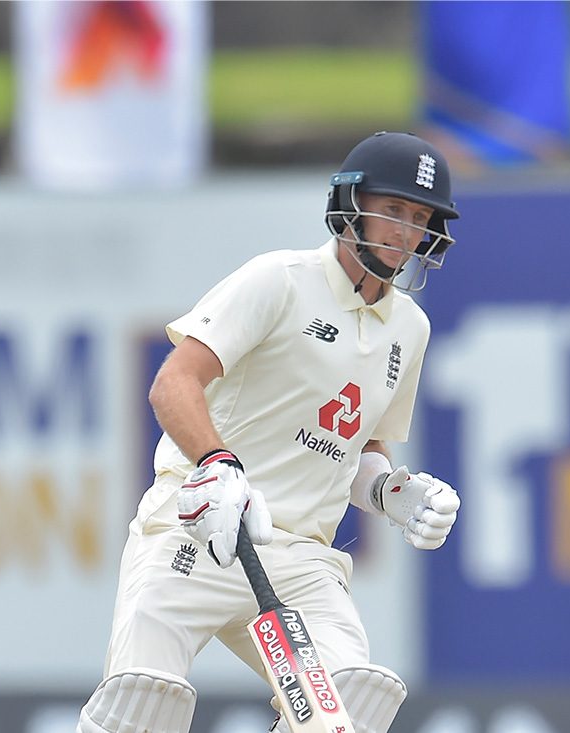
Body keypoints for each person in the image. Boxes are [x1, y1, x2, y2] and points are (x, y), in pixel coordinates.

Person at [76, 131, 463, 733]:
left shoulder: (409, 329)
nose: (405, 232)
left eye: (418, 218)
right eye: (391, 210)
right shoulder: (279, 280)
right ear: (350, 204)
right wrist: (216, 464)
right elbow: (174, 384)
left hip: (303, 559)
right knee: (141, 706)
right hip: (200, 527)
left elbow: (357, 447)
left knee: (350, 706)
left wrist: (392, 492)